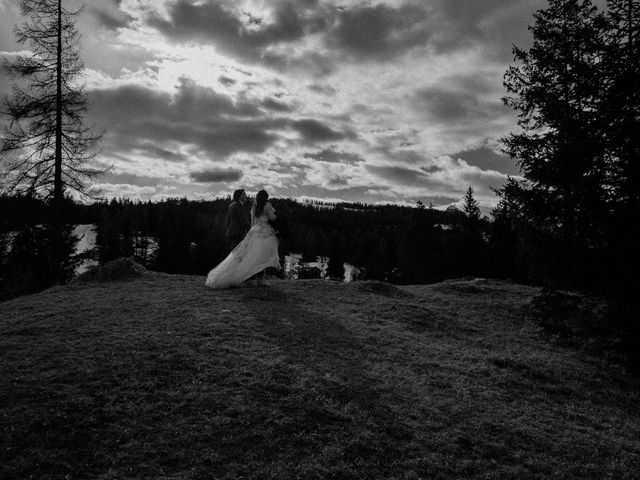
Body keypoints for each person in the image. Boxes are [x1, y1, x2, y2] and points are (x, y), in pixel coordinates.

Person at [205, 190, 281, 288]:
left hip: (253, 232)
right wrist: (277, 214)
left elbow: (250, 221)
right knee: (259, 257)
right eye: (243, 194)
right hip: (262, 233)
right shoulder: (266, 205)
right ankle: (255, 279)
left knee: (246, 256)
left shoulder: (252, 206)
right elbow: (272, 218)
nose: (245, 196)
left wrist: (250, 232)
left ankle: (250, 278)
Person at [225, 189, 250, 253]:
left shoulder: (232, 204)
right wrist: (249, 231)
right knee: (238, 254)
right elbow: (243, 220)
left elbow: (228, 220)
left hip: (232, 232)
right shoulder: (239, 205)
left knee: (234, 253)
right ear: (239, 196)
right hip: (238, 233)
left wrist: (228, 230)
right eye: (244, 194)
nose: (246, 196)